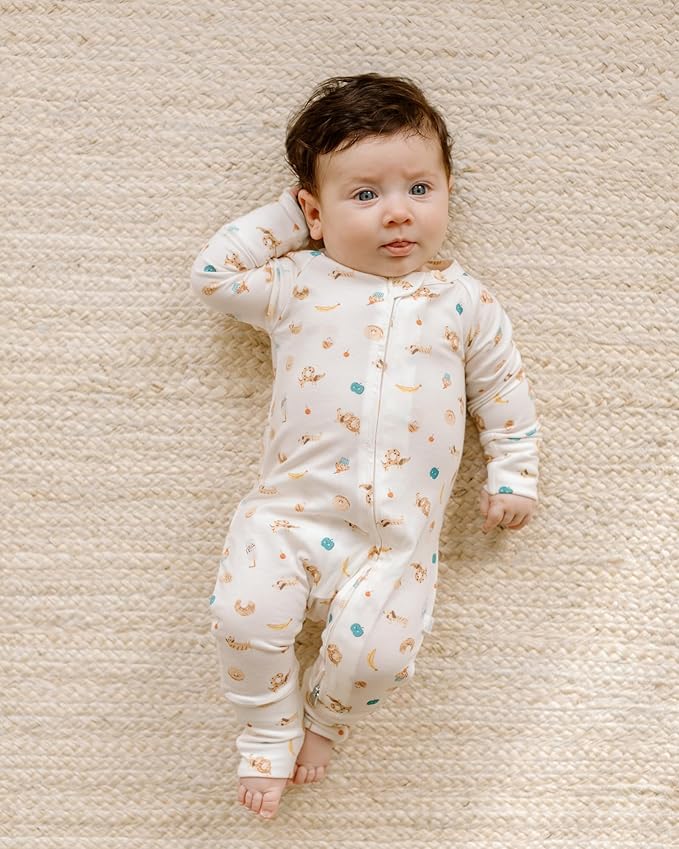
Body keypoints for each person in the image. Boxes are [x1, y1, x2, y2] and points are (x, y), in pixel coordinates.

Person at [190, 72, 541, 820]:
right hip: (288, 515)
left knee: (379, 656)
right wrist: (294, 217)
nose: (396, 213)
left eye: (419, 189)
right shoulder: (298, 282)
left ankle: (324, 720)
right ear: (314, 212)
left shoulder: (465, 300)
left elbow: (501, 388)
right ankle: (267, 729)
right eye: (363, 195)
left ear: (448, 193)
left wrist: (514, 473)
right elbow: (214, 274)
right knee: (243, 619)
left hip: (396, 539)